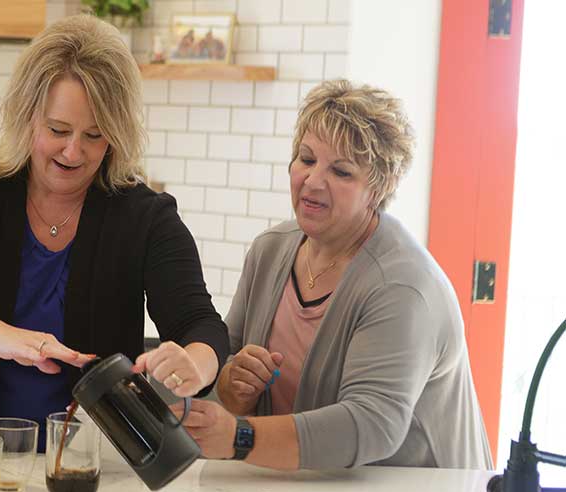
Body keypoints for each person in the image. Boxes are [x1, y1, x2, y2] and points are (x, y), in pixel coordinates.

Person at [0, 15, 229, 439]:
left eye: (95, 134)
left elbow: (201, 324)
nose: (74, 151)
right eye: (58, 129)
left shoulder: (145, 216)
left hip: (93, 462)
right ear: (27, 114)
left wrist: (195, 364)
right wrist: (4, 337)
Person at [178, 80, 492, 470]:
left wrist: (241, 436)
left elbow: (373, 423)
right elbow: (229, 365)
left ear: (378, 188)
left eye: (341, 171)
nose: (312, 182)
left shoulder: (401, 287)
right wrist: (234, 386)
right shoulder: (270, 250)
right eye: (306, 160)